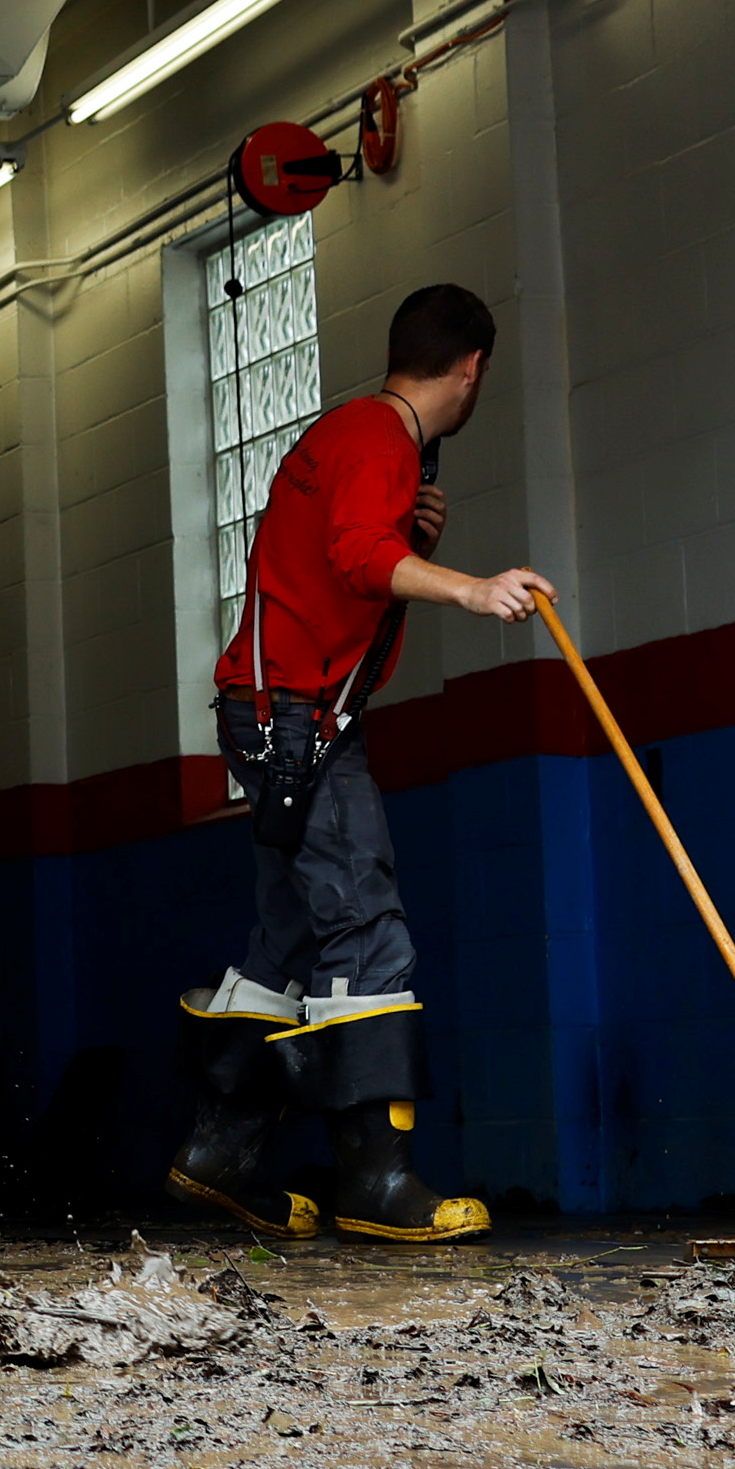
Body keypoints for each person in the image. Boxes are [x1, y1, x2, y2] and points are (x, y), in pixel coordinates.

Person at [179, 279, 545, 1244]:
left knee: (292, 937)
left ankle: (218, 1152)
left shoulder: (343, 435)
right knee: (367, 929)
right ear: (471, 371)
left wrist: (410, 547)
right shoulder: (383, 443)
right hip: (301, 726)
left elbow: (341, 557)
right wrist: (471, 588)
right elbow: (352, 555)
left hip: (265, 717)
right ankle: (377, 1183)